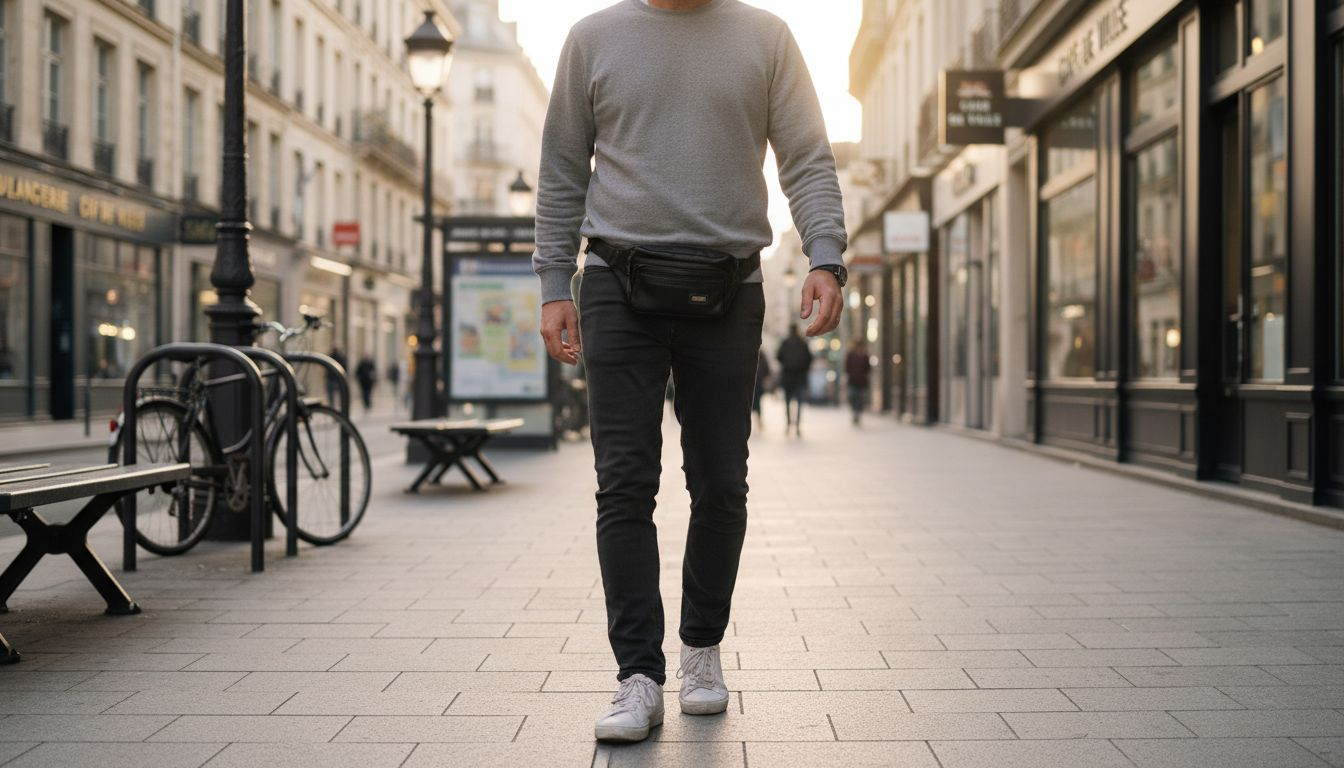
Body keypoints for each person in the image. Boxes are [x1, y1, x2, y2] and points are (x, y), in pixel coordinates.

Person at [534, 0, 848, 744]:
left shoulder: (767, 38)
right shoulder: (592, 40)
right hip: (615, 281)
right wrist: (554, 284)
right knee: (625, 481)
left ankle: (701, 650)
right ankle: (637, 676)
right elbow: (560, 168)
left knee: (720, 481)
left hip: (728, 284)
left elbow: (806, 154)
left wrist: (826, 255)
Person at [776, 325, 813, 437]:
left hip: (788, 376)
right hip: (799, 377)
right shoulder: (802, 343)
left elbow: (778, 356)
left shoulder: (785, 342)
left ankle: (788, 424)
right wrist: (803, 369)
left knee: (787, 402)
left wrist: (786, 365)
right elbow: (809, 358)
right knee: (799, 402)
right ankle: (797, 426)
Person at [845, 339, 872, 425]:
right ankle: (855, 413)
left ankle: (858, 413)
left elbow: (868, 368)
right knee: (853, 397)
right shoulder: (850, 355)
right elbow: (846, 366)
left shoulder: (865, 356)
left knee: (860, 398)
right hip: (852, 381)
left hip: (862, 381)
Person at [752, 348, 771, 429]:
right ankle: (759, 421)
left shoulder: (751, 355)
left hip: (751, 383)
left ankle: (753, 420)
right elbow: (767, 371)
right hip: (759, 384)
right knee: (758, 403)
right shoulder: (763, 357)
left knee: (750, 403)